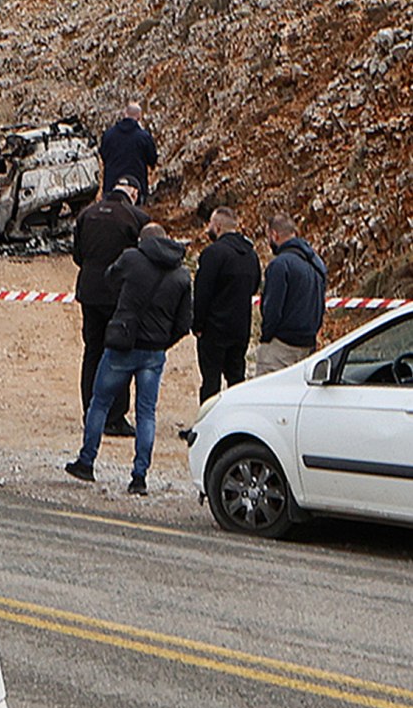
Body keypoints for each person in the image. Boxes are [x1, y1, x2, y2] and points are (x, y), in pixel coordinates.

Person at [66, 223, 192, 495]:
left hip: (123, 344)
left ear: (141, 241)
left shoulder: (132, 259)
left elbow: (110, 279)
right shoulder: (182, 274)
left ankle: (87, 461)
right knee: (146, 413)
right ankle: (139, 476)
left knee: (100, 403)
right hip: (154, 351)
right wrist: (162, 342)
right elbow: (184, 323)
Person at [72, 175, 151, 437]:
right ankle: (115, 416)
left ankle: (90, 411)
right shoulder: (136, 218)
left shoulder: (87, 214)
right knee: (119, 351)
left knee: (92, 351)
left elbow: (78, 256)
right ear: (134, 193)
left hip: (89, 291)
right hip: (120, 294)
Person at [192, 206, 262, 401]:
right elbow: (254, 286)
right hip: (240, 328)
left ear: (218, 226)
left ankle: (209, 417)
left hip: (214, 329)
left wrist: (197, 325)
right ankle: (235, 415)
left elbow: (202, 292)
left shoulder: (213, 254)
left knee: (211, 381)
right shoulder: (251, 255)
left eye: (210, 224)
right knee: (236, 378)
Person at [257, 213, 328, 375]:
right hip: (308, 345)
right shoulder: (316, 264)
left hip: (280, 348)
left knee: (266, 389)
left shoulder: (280, 265)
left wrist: (266, 336)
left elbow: (272, 307)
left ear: (274, 235)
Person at [99, 103, 158, 205]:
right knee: (133, 213)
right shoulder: (144, 137)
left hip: (112, 185)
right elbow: (152, 159)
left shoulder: (108, 135)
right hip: (135, 187)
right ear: (139, 117)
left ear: (124, 114)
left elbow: (103, 156)